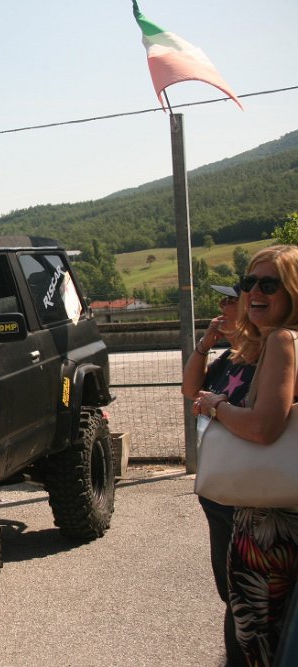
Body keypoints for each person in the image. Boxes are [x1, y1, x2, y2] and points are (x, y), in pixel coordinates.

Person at [191, 245, 298, 667]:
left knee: (260, 640)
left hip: (270, 523)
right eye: (249, 282)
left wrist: (217, 406)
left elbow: (263, 427)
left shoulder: (283, 340)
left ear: (292, 291)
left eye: (269, 284)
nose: (253, 292)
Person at [182, 282, 255, 666]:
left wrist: (216, 406)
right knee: (230, 592)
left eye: (230, 300)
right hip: (218, 493)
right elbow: (189, 387)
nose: (221, 306)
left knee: (248, 595)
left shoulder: (272, 357)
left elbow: (264, 424)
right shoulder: (229, 358)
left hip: (251, 490)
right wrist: (205, 344)